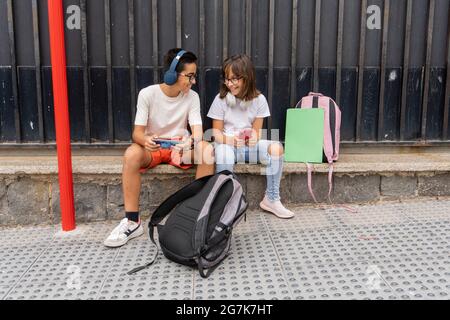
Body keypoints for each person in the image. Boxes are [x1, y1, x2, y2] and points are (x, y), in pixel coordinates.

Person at [104, 48, 215, 247]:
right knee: (131, 154)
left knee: (206, 149)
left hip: (178, 150)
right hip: (152, 149)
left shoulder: (192, 97)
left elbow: (197, 131)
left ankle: (197, 218)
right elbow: (137, 133)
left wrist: (191, 141)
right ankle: (132, 221)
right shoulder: (148, 94)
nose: (193, 81)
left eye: (194, 76)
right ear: (172, 74)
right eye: (189, 76)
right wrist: (144, 140)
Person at [207, 54, 294, 219]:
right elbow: (216, 134)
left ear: (247, 77)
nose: (230, 83)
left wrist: (253, 138)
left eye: (235, 79)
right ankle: (224, 204)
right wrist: (231, 140)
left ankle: (272, 199)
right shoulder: (220, 100)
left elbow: (256, 132)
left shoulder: (259, 100)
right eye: (227, 79)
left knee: (276, 147)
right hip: (227, 145)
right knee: (224, 153)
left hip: (248, 148)